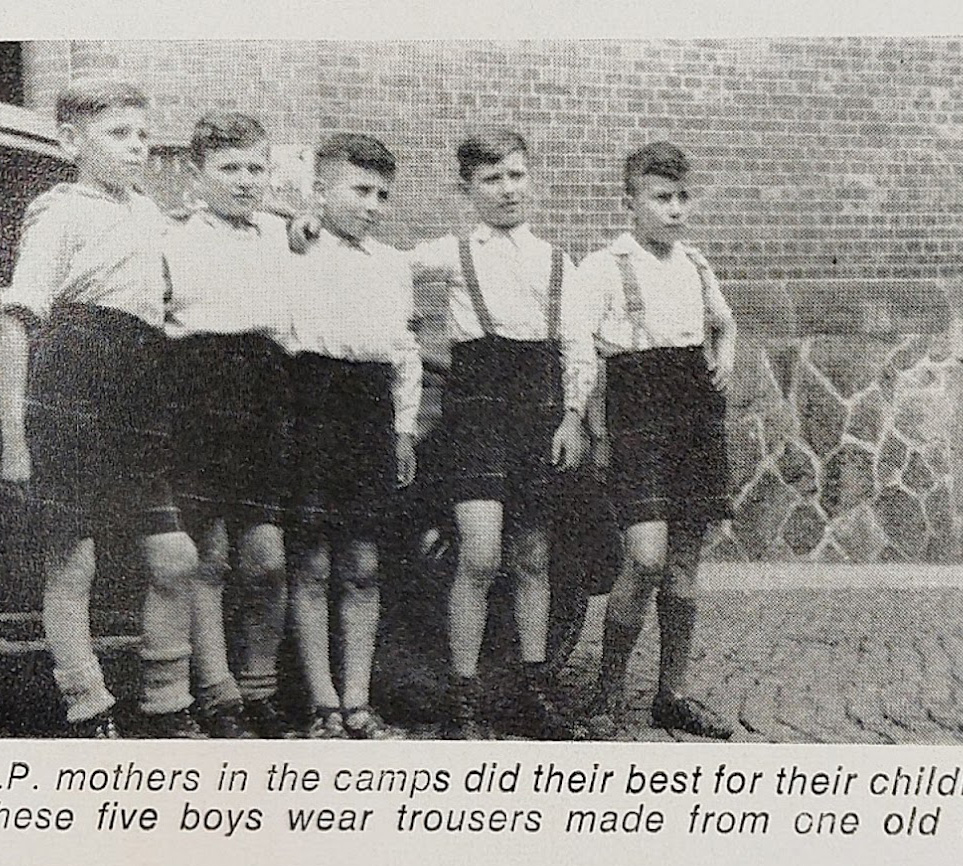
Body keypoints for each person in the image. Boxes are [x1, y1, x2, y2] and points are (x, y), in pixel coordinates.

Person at [0, 77, 202, 738]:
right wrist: (15, 439)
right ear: (70, 141)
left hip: (139, 391)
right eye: (119, 134)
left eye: (143, 134)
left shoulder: (149, 215)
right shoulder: (60, 211)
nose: (137, 148)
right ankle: (87, 706)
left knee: (175, 558)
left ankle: (167, 705)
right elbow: (17, 324)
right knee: (73, 560)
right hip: (73, 388)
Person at [411, 128, 591, 740]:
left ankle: (533, 691)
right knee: (481, 553)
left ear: (529, 178)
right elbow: (376, 267)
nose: (507, 189)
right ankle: (463, 697)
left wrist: (572, 416)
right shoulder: (448, 253)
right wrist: (299, 230)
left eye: (516, 175)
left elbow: (576, 346)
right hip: (477, 417)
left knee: (534, 555)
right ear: (468, 190)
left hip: (539, 415)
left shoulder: (557, 261)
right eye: (491, 179)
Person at [563, 141, 737, 740]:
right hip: (635, 410)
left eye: (683, 197)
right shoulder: (604, 266)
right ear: (630, 202)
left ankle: (673, 693)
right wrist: (578, 417)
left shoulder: (694, 263)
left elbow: (723, 321)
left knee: (684, 568)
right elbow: (579, 348)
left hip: (692, 412)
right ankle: (607, 694)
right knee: (645, 558)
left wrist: (727, 355)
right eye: (661, 198)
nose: (675, 210)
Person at [276, 133, 422, 739]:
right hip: (309, 403)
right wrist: (297, 215)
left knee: (362, 563)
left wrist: (403, 428)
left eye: (382, 194)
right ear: (319, 191)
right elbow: (254, 202)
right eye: (360, 190)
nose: (374, 205)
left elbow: (404, 353)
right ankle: (322, 704)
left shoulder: (391, 265)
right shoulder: (289, 247)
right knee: (309, 563)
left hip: (368, 409)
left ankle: (359, 701)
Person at [162, 111, 297, 738]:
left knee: (266, 556)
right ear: (197, 174)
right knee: (209, 553)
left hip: (267, 394)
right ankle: (219, 692)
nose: (245, 181)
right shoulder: (173, 238)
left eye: (255, 167)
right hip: (199, 391)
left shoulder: (282, 237)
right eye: (229, 168)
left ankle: (261, 684)